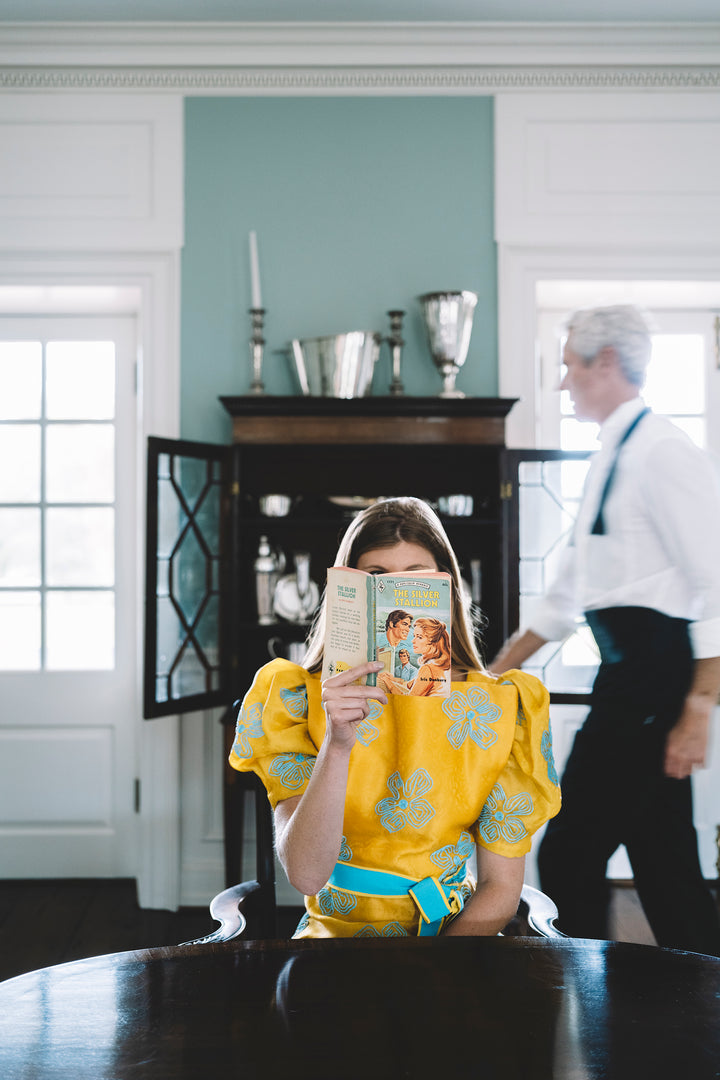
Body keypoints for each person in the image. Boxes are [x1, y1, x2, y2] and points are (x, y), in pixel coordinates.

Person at [491, 304, 720, 955]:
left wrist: (698, 708)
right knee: (665, 860)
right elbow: (564, 597)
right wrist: (492, 674)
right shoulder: (610, 456)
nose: (563, 382)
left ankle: (588, 997)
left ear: (607, 364)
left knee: (569, 851)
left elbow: (718, 582)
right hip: (627, 671)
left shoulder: (665, 453)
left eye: (569, 366)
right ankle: (694, 1014)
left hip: (654, 677)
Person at [230, 496, 561, 938]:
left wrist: (436, 974)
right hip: (331, 945)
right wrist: (338, 742)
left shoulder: (501, 708)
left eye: (416, 577)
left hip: (454, 944)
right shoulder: (298, 697)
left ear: (447, 591)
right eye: (377, 578)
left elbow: (500, 887)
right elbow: (306, 876)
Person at [379, 617, 451, 697]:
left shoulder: (428, 669)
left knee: (380, 683)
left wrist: (387, 682)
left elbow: (409, 700)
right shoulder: (439, 665)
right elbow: (409, 684)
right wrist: (392, 679)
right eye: (414, 636)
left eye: (419, 637)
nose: (413, 641)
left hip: (424, 707)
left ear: (433, 642)